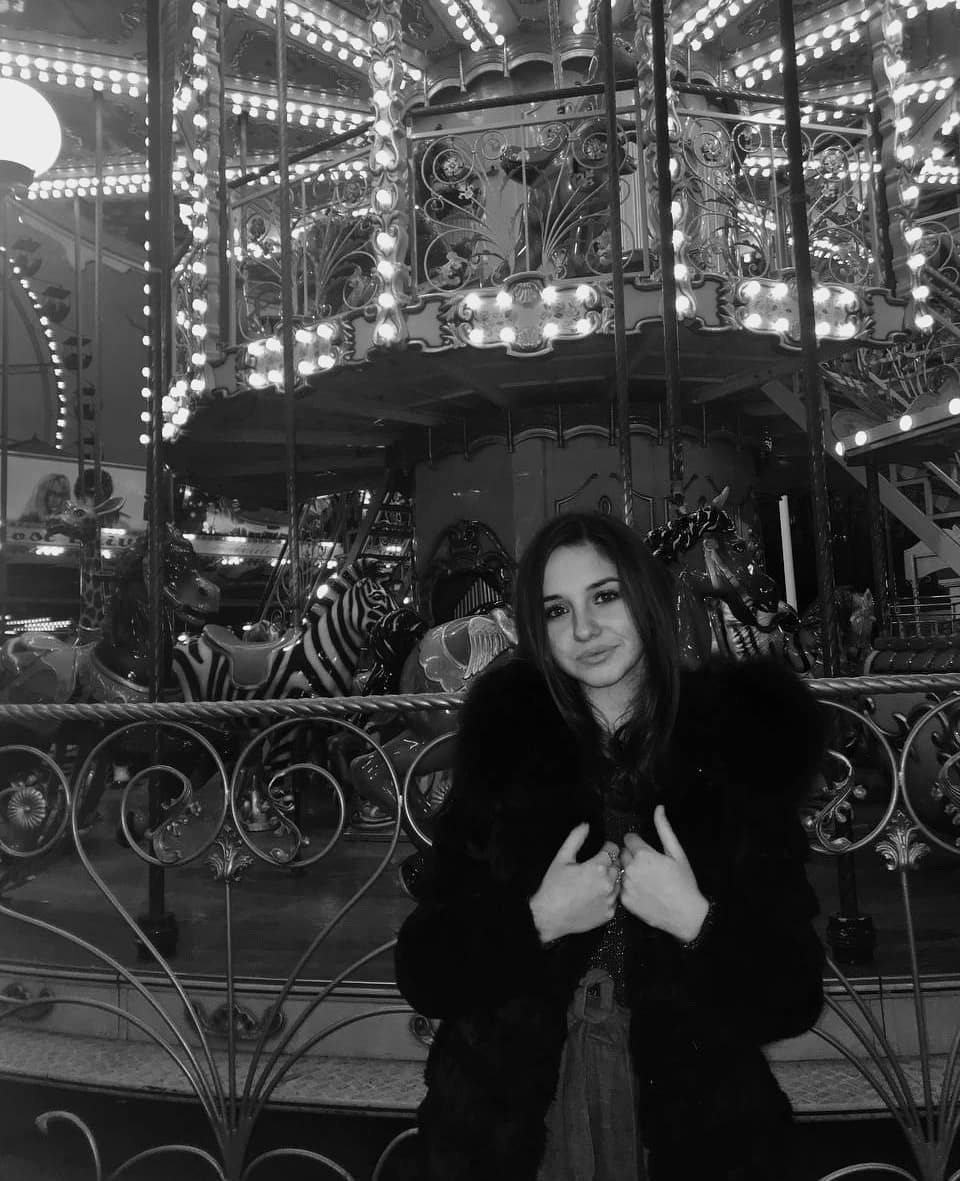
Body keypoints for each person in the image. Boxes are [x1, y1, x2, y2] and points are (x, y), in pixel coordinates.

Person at [395, 511, 827, 1181]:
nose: (584, 629)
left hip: (695, 1121)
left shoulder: (728, 757)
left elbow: (791, 992)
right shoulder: (510, 756)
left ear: (645, 598)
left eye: (604, 596)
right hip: (511, 1121)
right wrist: (537, 921)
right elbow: (426, 970)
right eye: (557, 610)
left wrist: (695, 920)